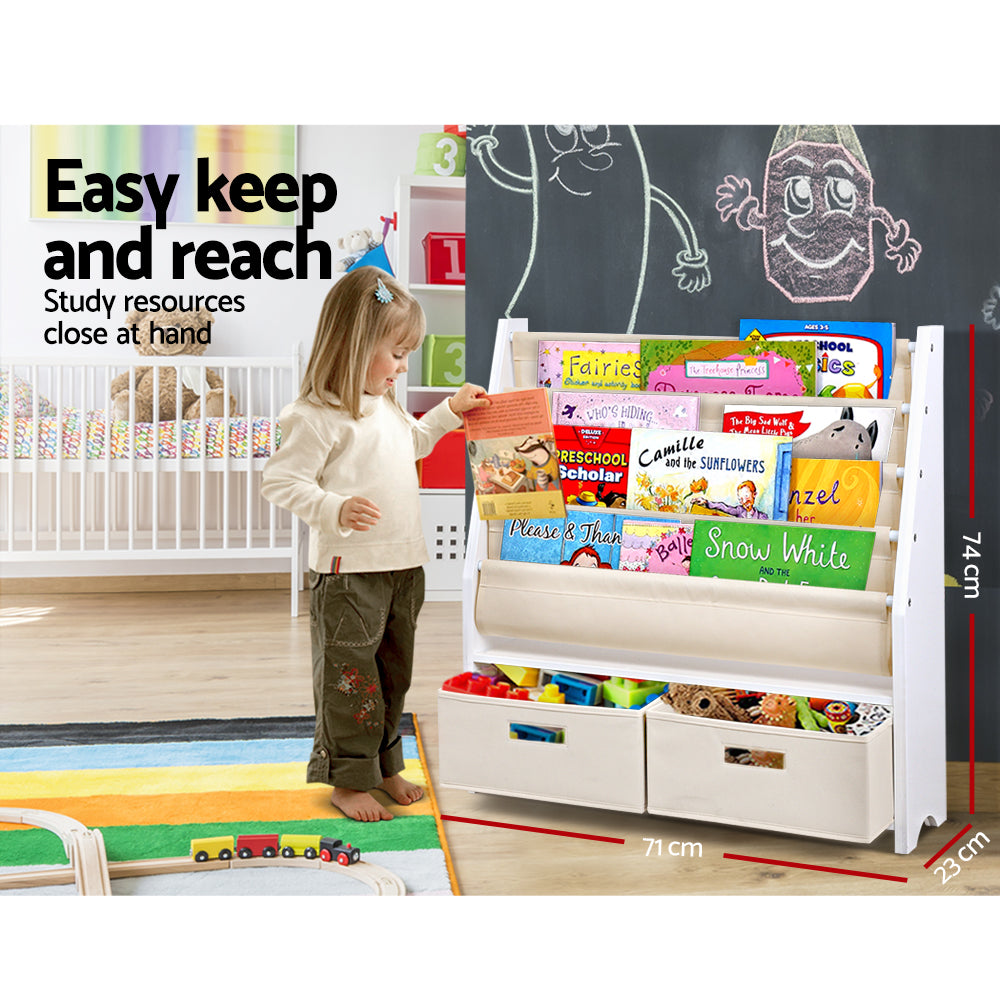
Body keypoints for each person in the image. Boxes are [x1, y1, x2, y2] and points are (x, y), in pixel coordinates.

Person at [261, 267, 488, 821]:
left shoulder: (383, 405)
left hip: (403, 564)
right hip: (349, 573)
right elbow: (280, 481)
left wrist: (449, 412)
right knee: (350, 677)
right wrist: (332, 508)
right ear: (356, 346)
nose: (404, 366)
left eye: (408, 354)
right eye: (397, 353)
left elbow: (414, 439)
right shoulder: (314, 418)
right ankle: (347, 778)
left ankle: (385, 765)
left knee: (393, 671)